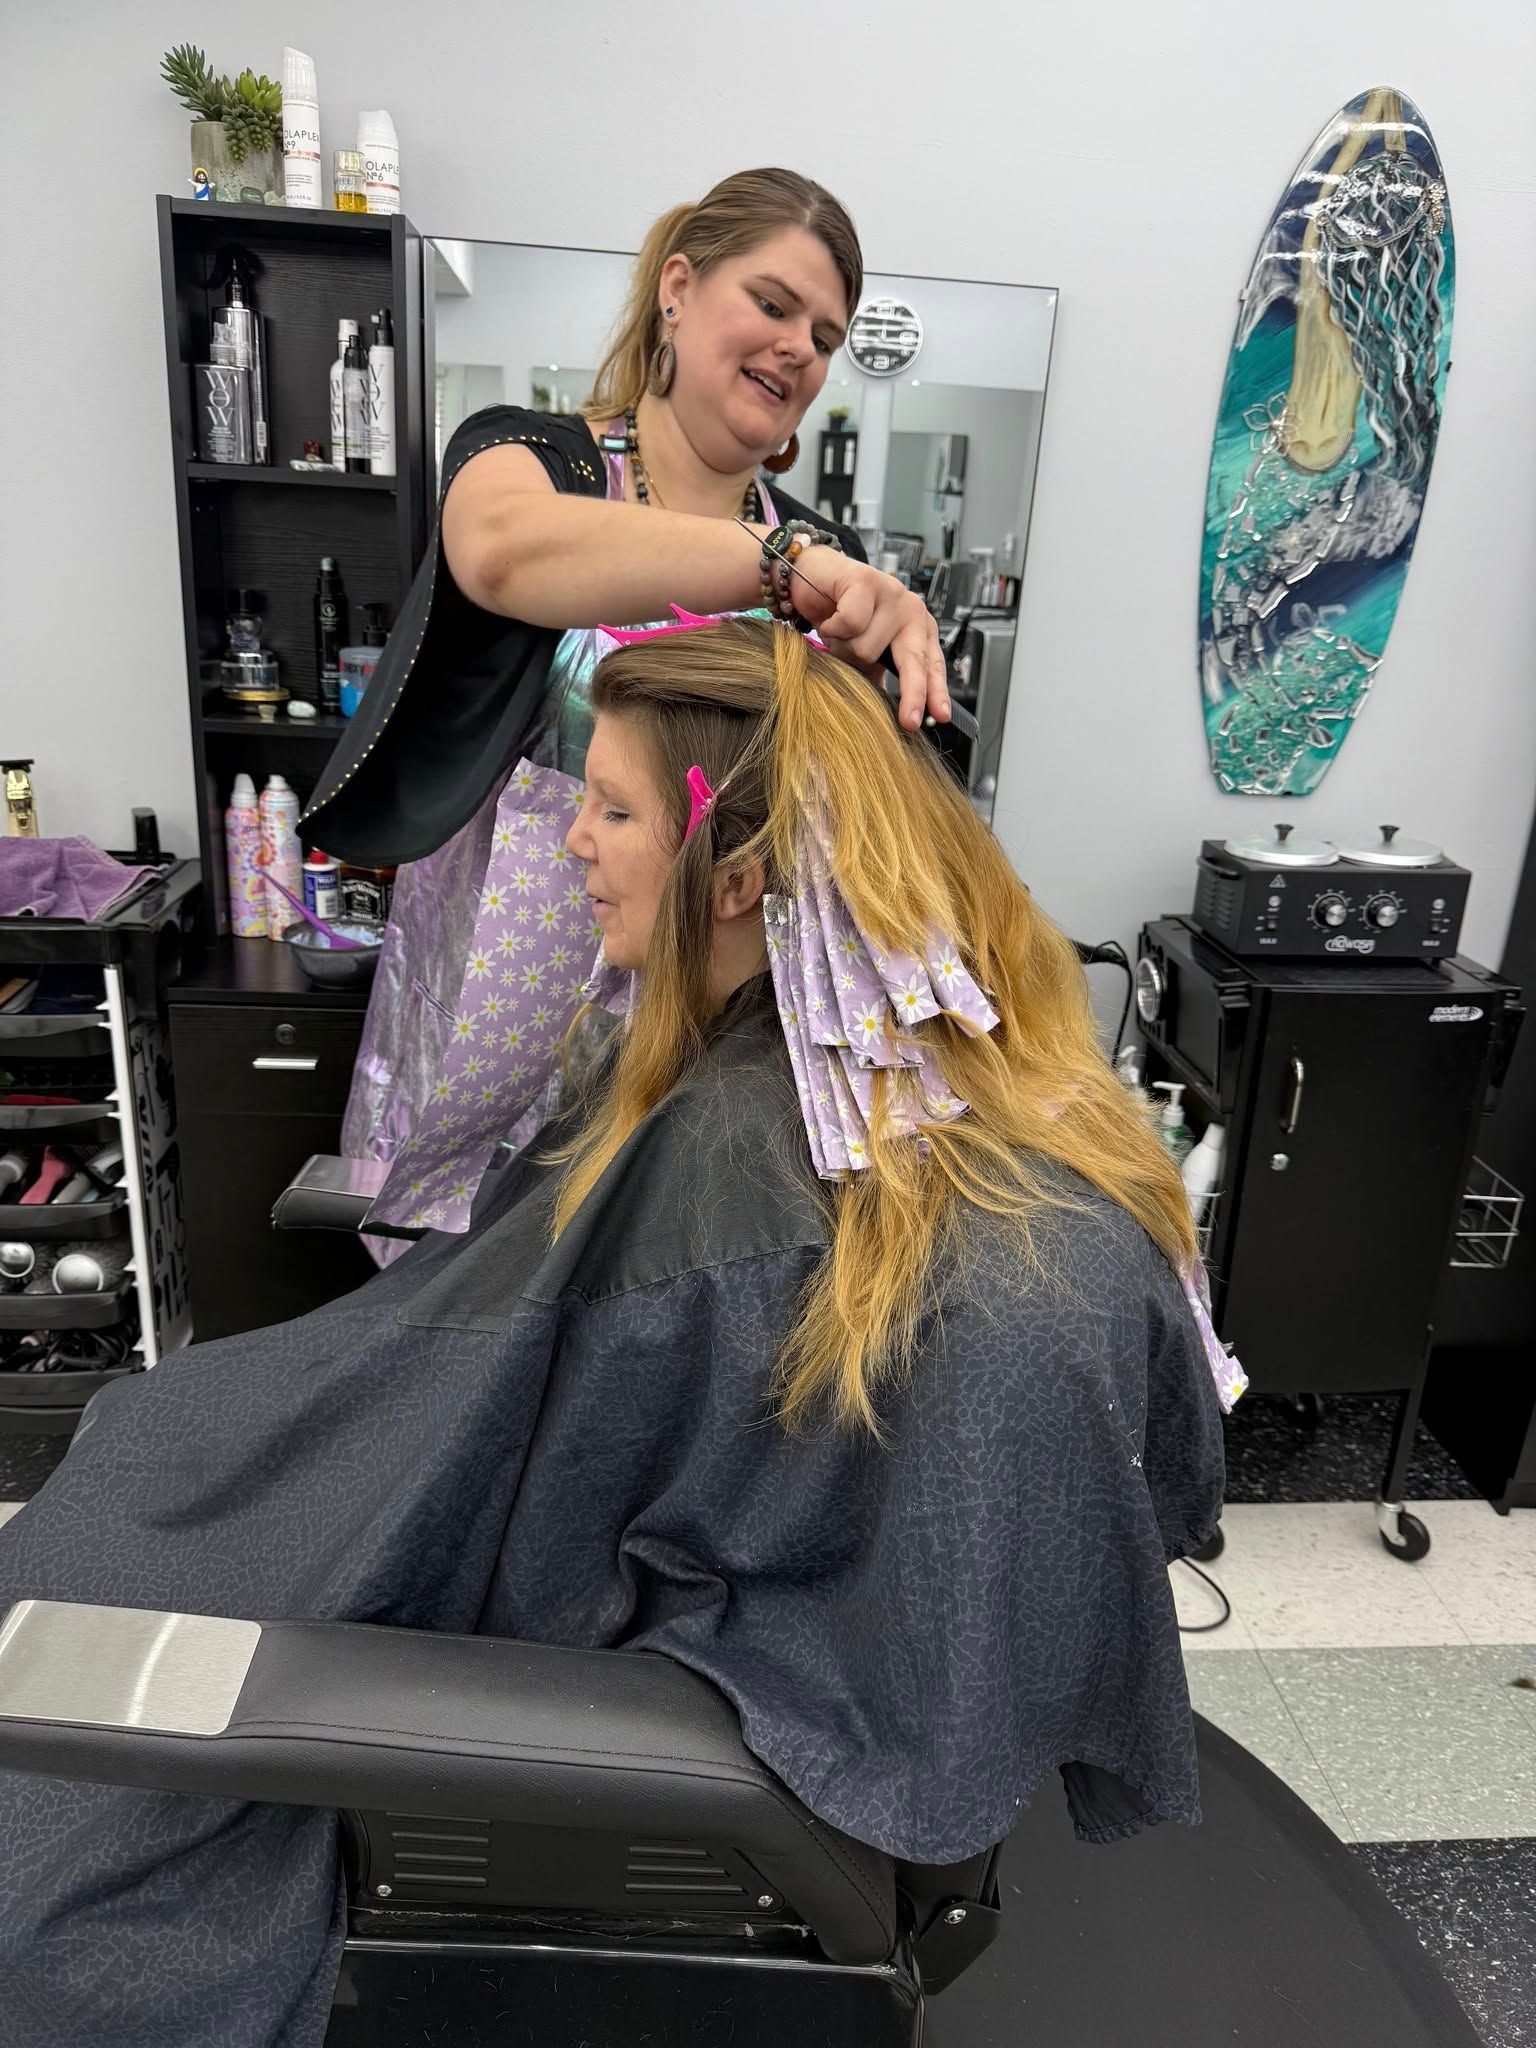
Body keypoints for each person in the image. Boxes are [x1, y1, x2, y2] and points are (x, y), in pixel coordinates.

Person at [0, 616, 1234, 2047]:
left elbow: (509, 1469)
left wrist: (222, 1430)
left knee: (118, 1546)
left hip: (722, 1707)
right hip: (841, 1629)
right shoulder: (976, 1114)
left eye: (613, 805)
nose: (572, 842)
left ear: (739, 873)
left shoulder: (729, 1165)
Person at [300, 167, 951, 1178]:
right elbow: (502, 553)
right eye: (773, 305)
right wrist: (775, 568)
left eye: (823, 338)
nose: (798, 348)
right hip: (502, 997)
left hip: (701, 1035)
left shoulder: (822, 545)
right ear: (678, 288)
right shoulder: (535, 457)